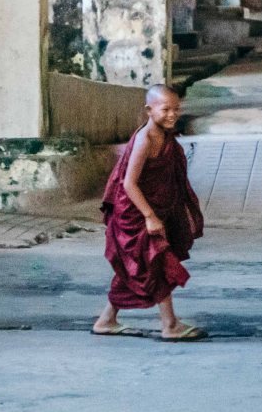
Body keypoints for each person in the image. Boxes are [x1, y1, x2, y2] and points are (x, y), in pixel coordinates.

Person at [93, 84, 207, 341]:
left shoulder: (164, 137)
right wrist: (149, 216)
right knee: (157, 263)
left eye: (176, 109)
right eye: (166, 109)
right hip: (134, 213)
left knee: (136, 268)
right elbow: (128, 183)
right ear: (149, 110)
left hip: (154, 209)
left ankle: (106, 320)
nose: (172, 115)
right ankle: (170, 325)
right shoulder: (146, 139)